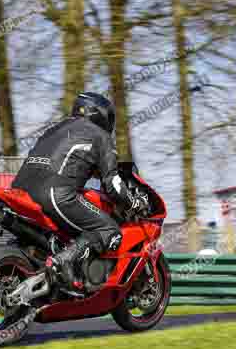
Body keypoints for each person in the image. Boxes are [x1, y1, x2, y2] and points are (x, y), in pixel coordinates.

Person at [12, 92, 150, 292]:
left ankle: (50, 267)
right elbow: (113, 183)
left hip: (19, 190)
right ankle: (65, 261)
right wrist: (134, 202)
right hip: (54, 194)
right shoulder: (100, 136)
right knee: (109, 230)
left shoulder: (54, 129)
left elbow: (71, 162)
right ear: (101, 114)